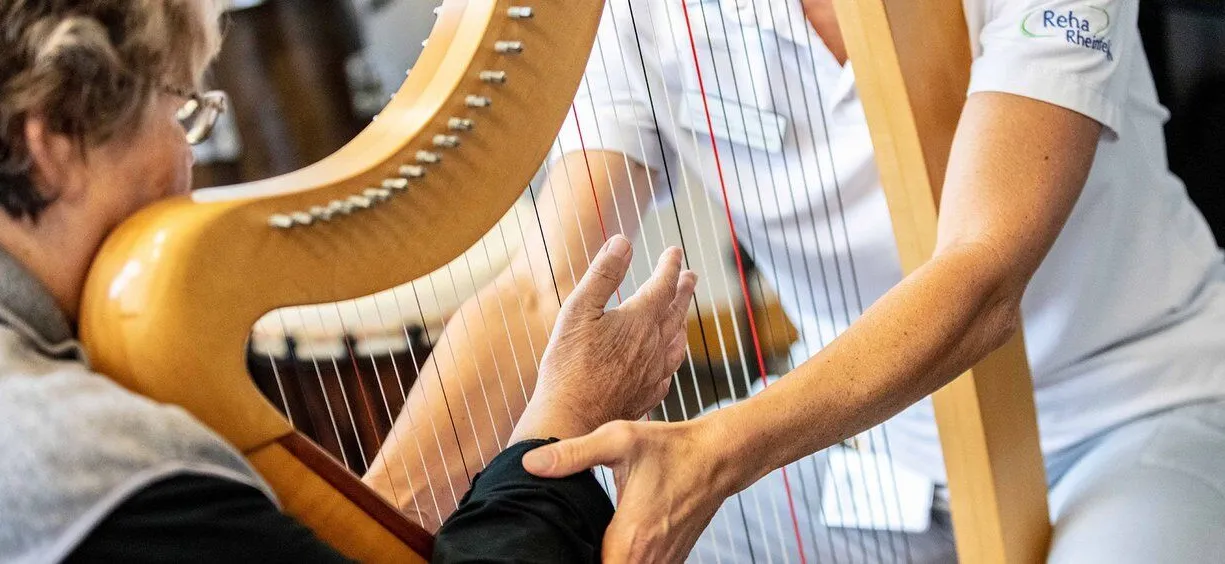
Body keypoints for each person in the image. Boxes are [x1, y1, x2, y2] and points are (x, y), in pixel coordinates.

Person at [372, 0, 1225, 561]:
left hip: (1136, 404)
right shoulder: (638, 12)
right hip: (859, 436)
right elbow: (546, 289)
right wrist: (359, 524)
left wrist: (713, 454)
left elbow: (981, 277)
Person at [0, 1, 696, 562]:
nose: (188, 168)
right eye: (181, 113)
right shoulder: (91, 460)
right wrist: (562, 428)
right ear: (54, 141)